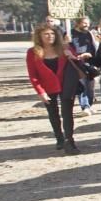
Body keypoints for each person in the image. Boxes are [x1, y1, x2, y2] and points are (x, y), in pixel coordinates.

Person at [25, 25, 76, 153]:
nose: (50, 37)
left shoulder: (64, 48)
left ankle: (69, 139)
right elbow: (33, 75)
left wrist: (72, 54)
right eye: (46, 34)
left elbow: (76, 61)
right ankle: (59, 138)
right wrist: (40, 92)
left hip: (66, 85)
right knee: (53, 113)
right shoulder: (33, 52)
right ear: (39, 36)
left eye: (52, 34)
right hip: (47, 87)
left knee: (67, 113)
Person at [69, 16, 97, 116]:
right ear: (78, 23)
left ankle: (89, 105)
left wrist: (94, 59)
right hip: (76, 63)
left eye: (88, 23)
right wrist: (76, 56)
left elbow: (94, 47)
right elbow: (66, 47)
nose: (87, 25)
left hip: (89, 63)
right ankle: (85, 107)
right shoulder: (69, 33)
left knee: (90, 86)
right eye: (84, 23)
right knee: (82, 85)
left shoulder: (89, 34)